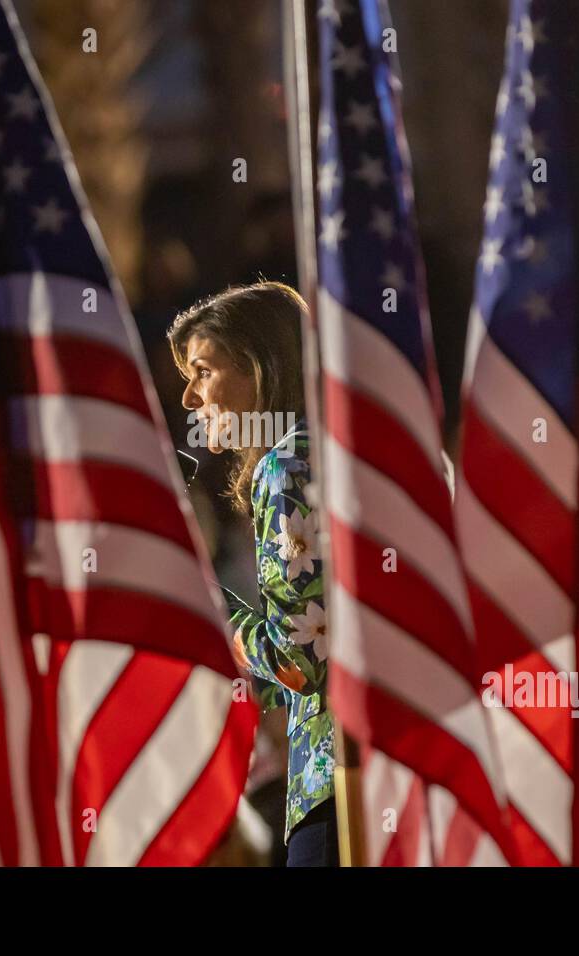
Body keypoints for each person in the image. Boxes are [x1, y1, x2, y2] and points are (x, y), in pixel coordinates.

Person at [168, 281, 337, 867]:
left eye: (203, 371)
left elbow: (300, 661)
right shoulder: (336, 451)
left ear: (261, 369)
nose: (190, 398)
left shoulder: (284, 465)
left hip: (334, 782)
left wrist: (207, 606)